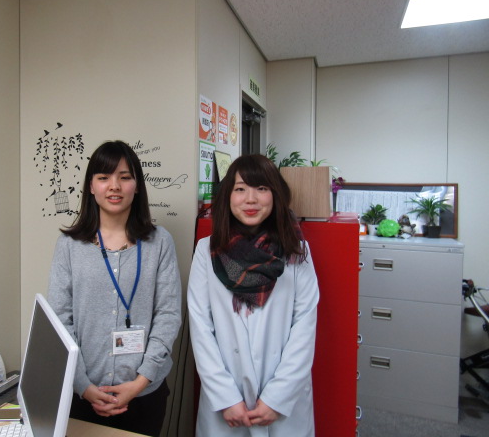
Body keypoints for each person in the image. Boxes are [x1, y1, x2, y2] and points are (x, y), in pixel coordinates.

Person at [47, 140, 182, 436]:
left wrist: (140, 381)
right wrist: (82, 385)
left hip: (145, 394)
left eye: (124, 177)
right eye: (103, 177)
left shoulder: (160, 242)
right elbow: (59, 319)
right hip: (82, 394)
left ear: (137, 185)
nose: (114, 186)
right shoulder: (69, 246)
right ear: (91, 186)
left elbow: (168, 315)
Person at [188, 154, 319, 436]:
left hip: (283, 402)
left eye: (261, 188)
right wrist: (224, 396)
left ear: (275, 195)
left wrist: (277, 398)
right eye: (240, 189)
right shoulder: (206, 251)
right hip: (227, 400)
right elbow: (200, 327)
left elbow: (304, 328)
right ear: (227, 196)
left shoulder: (296, 252)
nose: (251, 199)